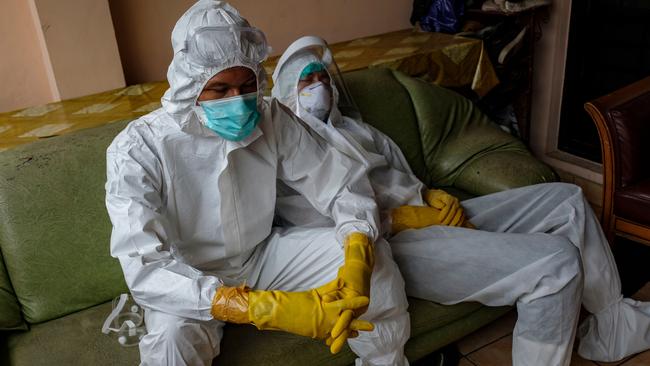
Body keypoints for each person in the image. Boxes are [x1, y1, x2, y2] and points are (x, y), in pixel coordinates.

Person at [271, 35, 650, 365]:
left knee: (567, 199)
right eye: (307, 80)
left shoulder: (354, 128)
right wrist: (402, 218)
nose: (319, 85)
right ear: (286, 93)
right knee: (557, 263)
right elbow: (317, 232)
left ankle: (612, 325)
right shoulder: (286, 156)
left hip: (434, 216)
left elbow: (401, 173)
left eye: (323, 77)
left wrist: (433, 195)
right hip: (392, 247)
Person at [105, 2, 412, 365]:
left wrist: (358, 250)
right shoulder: (138, 147)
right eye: (219, 90)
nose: (238, 102)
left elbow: (340, 184)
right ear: (190, 85)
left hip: (261, 257)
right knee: (171, 344)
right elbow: (144, 265)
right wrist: (252, 306)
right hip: (188, 274)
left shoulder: (270, 116)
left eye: (246, 85)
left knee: (376, 266)